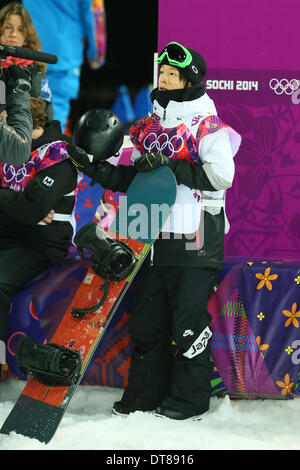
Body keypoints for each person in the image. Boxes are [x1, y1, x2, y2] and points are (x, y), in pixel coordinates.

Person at [68, 41, 241, 420]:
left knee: (188, 328)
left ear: (189, 80)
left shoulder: (208, 124)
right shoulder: (147, 125)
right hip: (146, 237)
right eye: (161, 72)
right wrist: (94, 168)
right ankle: (143, 399)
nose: (163, 78)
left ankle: (188, 403)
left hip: (194, 240)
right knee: (146, 325)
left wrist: (172, 165)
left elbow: (221, 176)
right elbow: (128, 178)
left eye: (172, 74)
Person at [22, 0, 106, 131]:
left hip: (28, 51)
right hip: (63, 56)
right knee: (55, 117)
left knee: (22, 111)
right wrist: (97, 55)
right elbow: (95, 14)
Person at [0, 1, 54, 119]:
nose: (13, 34)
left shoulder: (36, 68)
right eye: (8, 27)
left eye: (20, 29)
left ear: (27, 36)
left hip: (28, 131)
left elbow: (47, 113)